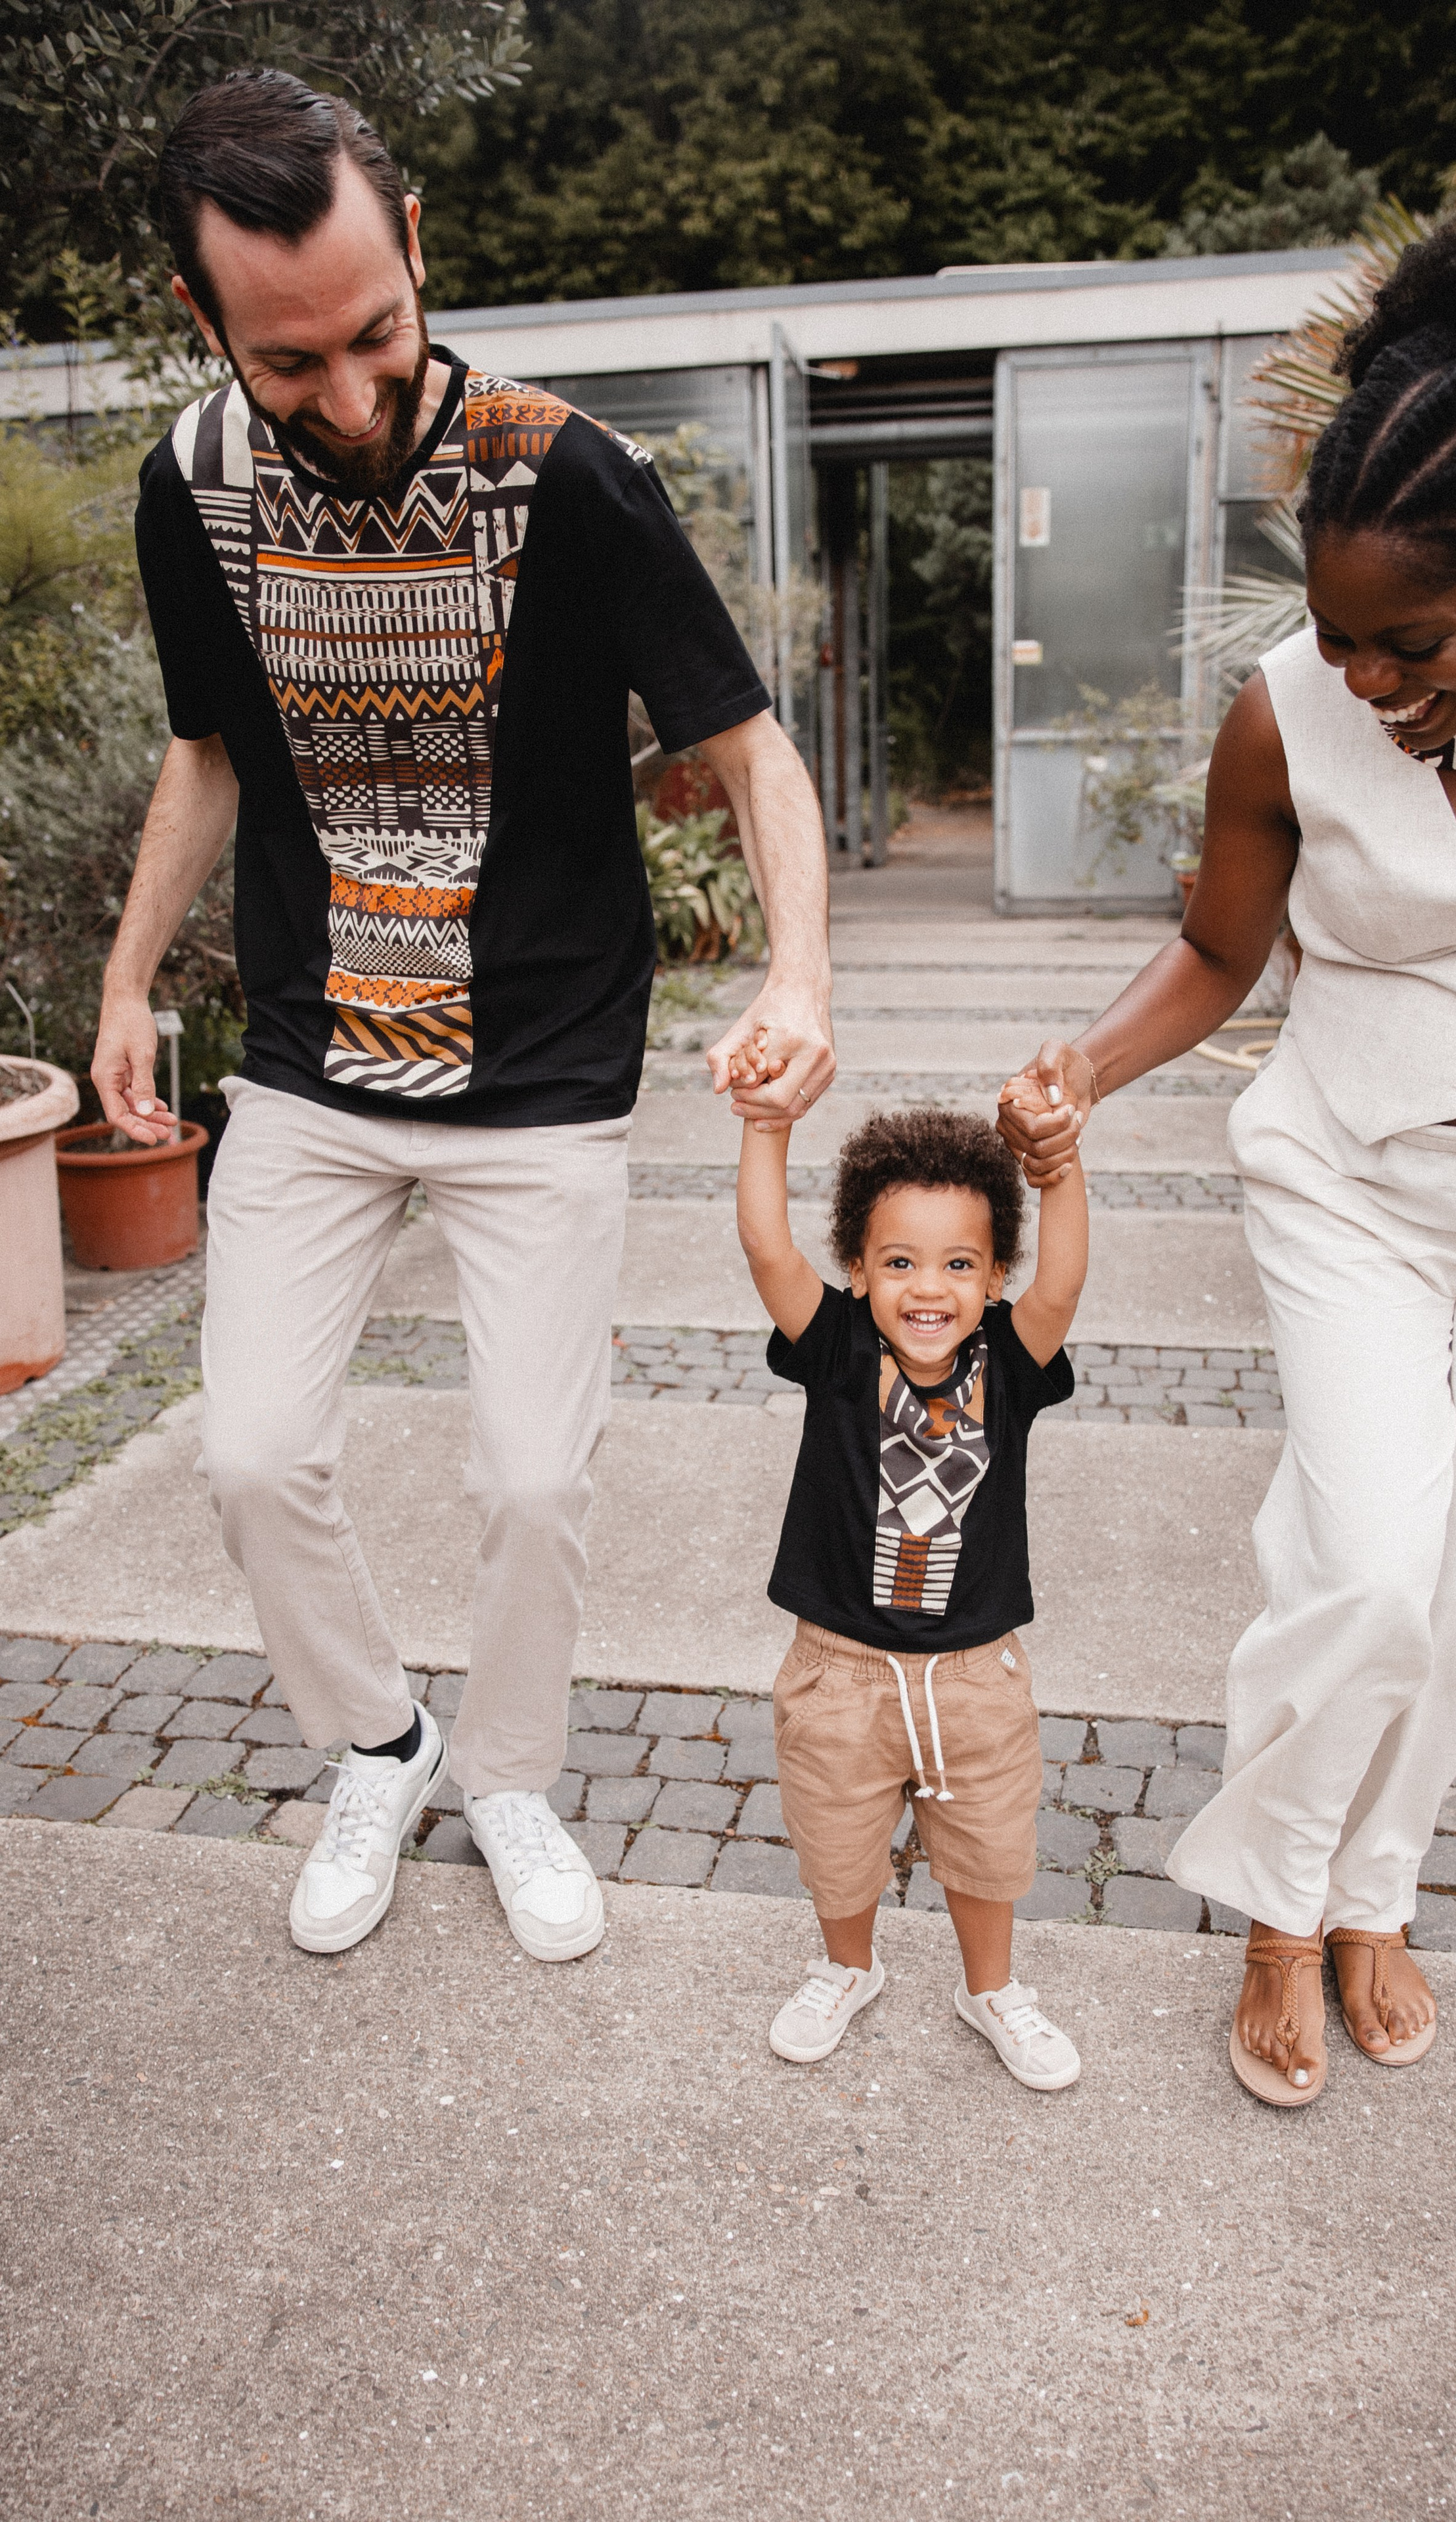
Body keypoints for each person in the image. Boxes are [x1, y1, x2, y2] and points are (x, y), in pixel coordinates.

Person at [93, 69, 833, 1962]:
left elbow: (752, 755)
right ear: (203, 321)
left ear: (416, 246)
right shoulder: (192, 489)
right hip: (310, 1067)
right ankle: (382, 1739)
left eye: (374, 337)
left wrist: (802, 971)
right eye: (287, 366)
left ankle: (508, 1773)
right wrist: (119, 991)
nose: (343, 401)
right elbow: (204, 759)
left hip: (546, 1084)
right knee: (252, 1456)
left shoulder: (570, 474)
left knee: (534, 1478)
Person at [996, 210, 1456, 2106]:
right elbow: (1224, 952)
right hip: (1358, 1187)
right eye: (1336, 634)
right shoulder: (1288, 713)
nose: (1370, 682)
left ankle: (1375, 1892)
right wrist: (1085, 1071)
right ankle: (1279, 1905)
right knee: (1369, 1569)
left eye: (1413, 642)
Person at [734, 1085, 1088, 2089]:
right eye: (898, 1262)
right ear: (857, 1269)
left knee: (988, 1850)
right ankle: (848, 1967)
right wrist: (767, 1126)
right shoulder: (839, 1349)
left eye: (958, 1264)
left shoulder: (1011, 1360)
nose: (927, 1288)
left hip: (975, 1676)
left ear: (993, 1276)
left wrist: (1058, 1167)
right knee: (837, 1843)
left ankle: (993, 1991)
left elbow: (1063, 1281)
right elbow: (767, 1249)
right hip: (839, 1674)